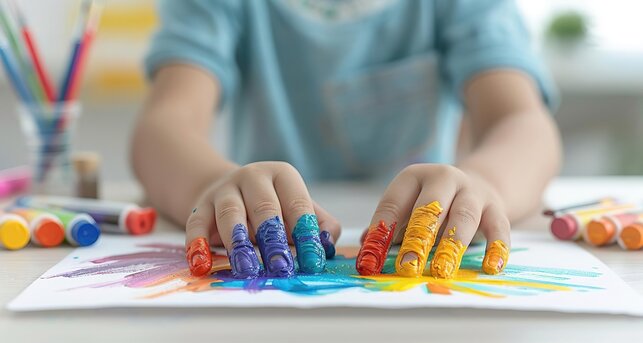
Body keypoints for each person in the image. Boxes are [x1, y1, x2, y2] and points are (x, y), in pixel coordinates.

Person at [131, 0, 561, 279]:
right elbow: (163, 127)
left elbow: (524, 123)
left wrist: (486, 184)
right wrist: (212, 185)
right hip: (265, 256)